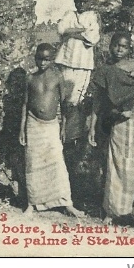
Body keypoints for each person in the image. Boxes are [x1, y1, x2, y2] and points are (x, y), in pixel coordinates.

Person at [89, 32, 134, 222]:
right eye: (116, 45)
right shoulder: (104, 71)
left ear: (129, 49)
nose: (119, 49)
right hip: (120, 120)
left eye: (123, 46)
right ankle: (114, 210)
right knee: (117, 164)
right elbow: (98, 102)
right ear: (110, 46)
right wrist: (92, 127)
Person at [19, 43, 83, 217]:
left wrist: (63, 127)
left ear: (52, 59)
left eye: (47, 59)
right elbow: (25, 104)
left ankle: (66, 203)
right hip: (33, 124)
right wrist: (21, 129)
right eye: (39, 58)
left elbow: (63, 104)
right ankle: (33, 203)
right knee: (33, 163)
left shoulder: (57, 77)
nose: (42, 62)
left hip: (51, 125)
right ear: (35, 58)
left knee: (56, 162)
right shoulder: (30, 78)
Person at [54, 0, 100, 139]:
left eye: (84, 1)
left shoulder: (92, 16)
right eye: (78, 1)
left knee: (77, 100)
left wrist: (71, 32)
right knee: (64, 98)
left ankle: (74, 136)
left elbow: (93, 37)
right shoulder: (69, 14)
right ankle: (63, 132)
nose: (80, 5)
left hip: (83, 64)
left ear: (89, 2)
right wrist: (80, 31)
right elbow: (61, 29)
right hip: (66, 61)